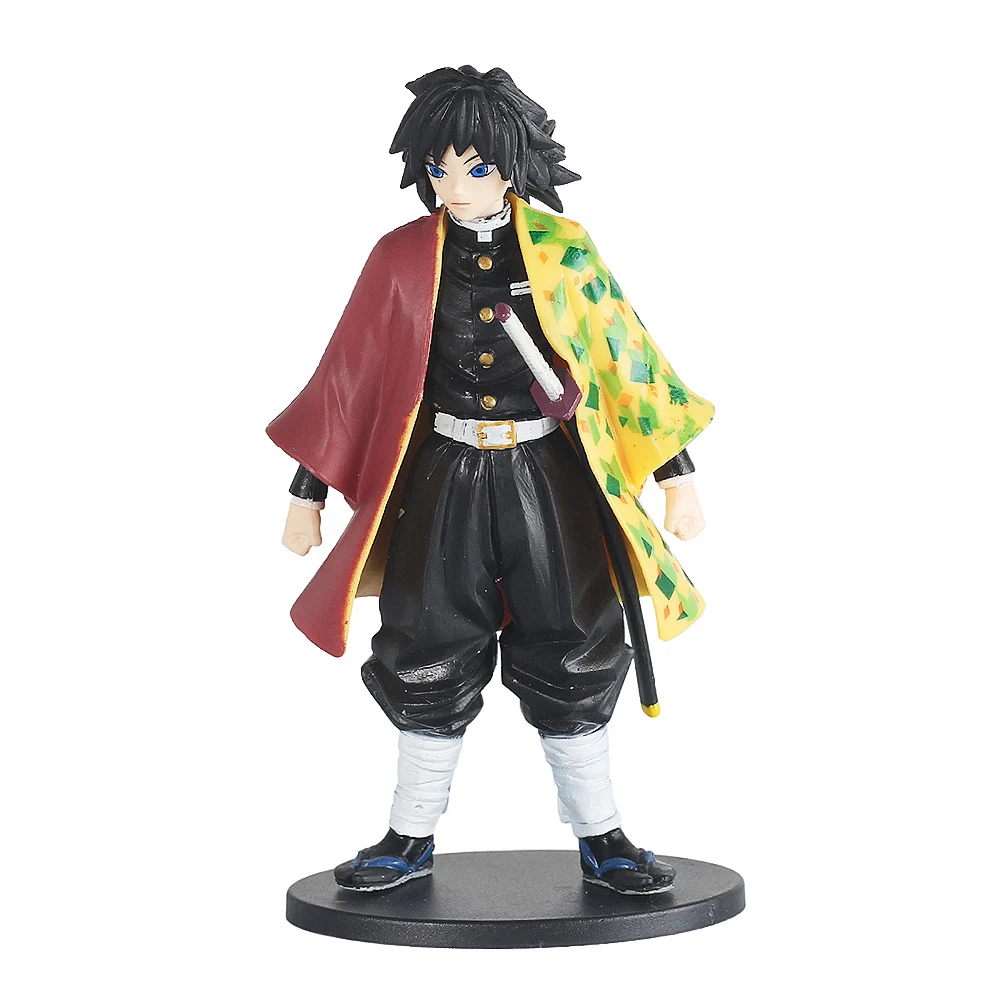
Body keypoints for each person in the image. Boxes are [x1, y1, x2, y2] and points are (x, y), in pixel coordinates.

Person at [267, 65, 714, 894]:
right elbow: (349, 376)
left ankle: (602, 836)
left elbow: (626, 360)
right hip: (443, 481)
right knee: (425, 643)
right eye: (438, 168)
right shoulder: (401, 257)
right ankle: (409, 835)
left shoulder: (563, 251)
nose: (455, 185)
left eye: (474, 167)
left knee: (574, 641)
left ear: (513, 163)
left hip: (548, 477)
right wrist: (307, 492)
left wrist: (677, 475)